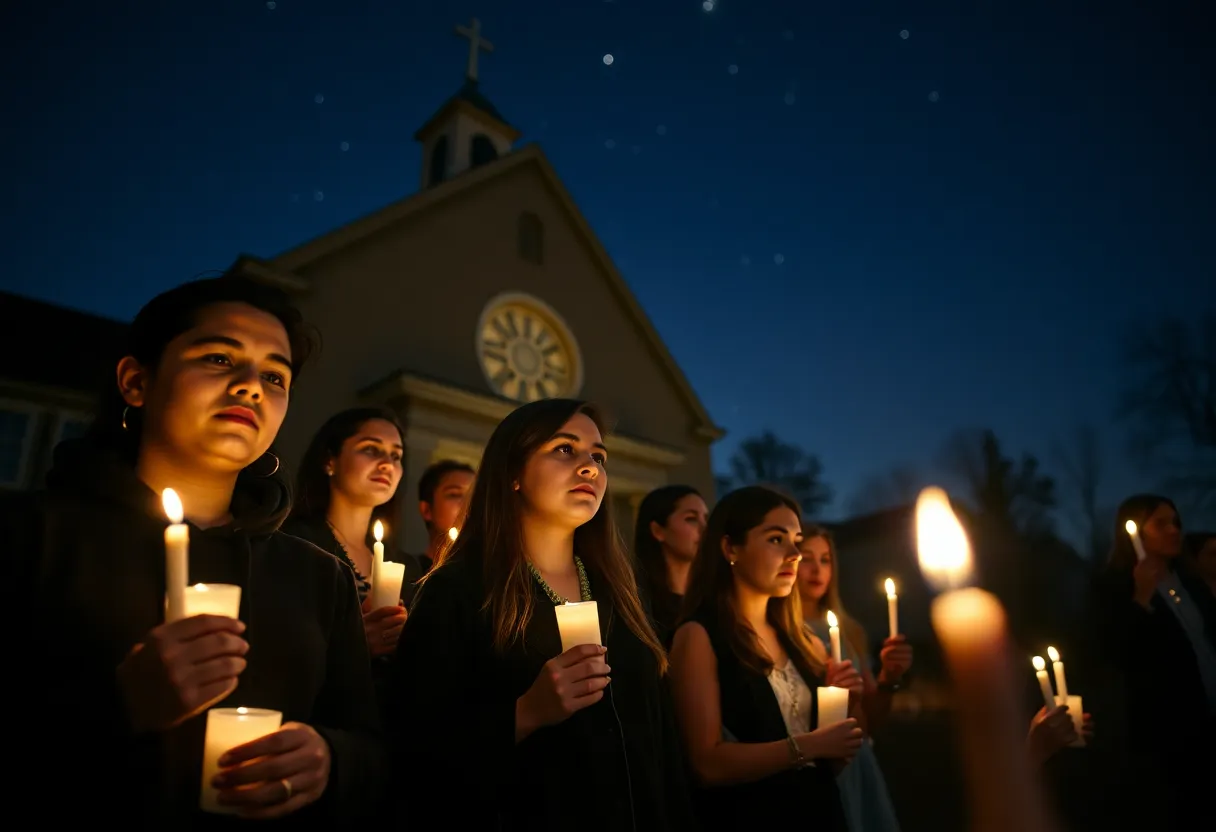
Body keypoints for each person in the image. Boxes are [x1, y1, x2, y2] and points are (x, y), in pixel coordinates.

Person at [0, 274, 382, 825]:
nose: (252, 386)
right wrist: (120, 704)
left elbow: (372, 744)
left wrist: (330, 759)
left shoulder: (317, 574)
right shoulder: (33, 537)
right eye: (220, 360)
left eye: (275, 376)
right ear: (136, 382)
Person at [387, 398, 695, 830]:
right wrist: (526, 713)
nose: (590, 467)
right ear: (513, 473)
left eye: (599, 456)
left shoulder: (622, 592)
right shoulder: (458, 590)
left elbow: (661, 743)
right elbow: (413, 750)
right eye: (565, 449)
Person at [669, 486, 860, 831]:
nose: (795, 554)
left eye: (796, 540)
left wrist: (838, 703)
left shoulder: (805, 642)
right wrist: (809, 744)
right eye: (776, 539)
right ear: (730, 548)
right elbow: (706, 764)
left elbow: (829, 762)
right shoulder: (699, 637)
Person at [1095, 494, 1216, 827]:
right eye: (1161, 523)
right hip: (1170, 737)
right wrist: (1141, 598)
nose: (1174, 530)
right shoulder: (1114, 587)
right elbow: (1115, 652)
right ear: (1134, 533)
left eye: (1176, 522)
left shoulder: (1190, 582)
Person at [797, 526, 909, 832]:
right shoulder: (787, 632)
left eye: (825, 560)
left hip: (859, 758)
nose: (817, 570)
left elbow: (870, 720)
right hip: (816, 760)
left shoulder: (851, 631)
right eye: (807, 558)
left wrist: (888, 679)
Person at [284, 407, 418, 659]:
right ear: (329, 460)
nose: (387, 464)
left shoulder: (405, 566)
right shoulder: (294, 545)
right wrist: (354, 644)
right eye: (370, 449)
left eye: (396, 456)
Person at [633, 485, 708, 647]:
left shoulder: (710, 596)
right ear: (658, 530)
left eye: (706, 519)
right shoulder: (637, 602)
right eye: (691, 519)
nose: (704, 529)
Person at [414, 459, 475, 573]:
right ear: (427, 510)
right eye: (455, 494)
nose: (468, 504)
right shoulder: (407, 573)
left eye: (475, 496)